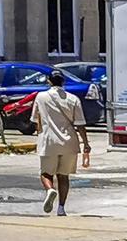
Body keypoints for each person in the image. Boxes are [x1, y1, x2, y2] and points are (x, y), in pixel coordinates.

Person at [31, 70, 91, 216]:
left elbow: (35, 120)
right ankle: (61, 208)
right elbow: (80, 125)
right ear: (63, 82)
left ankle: (50, 190)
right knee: (64, 176)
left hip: (48, 141)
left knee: (46, 173)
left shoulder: (41, 97)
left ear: (49, 81)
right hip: (69, 142)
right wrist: (86, 143)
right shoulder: (73, 99)